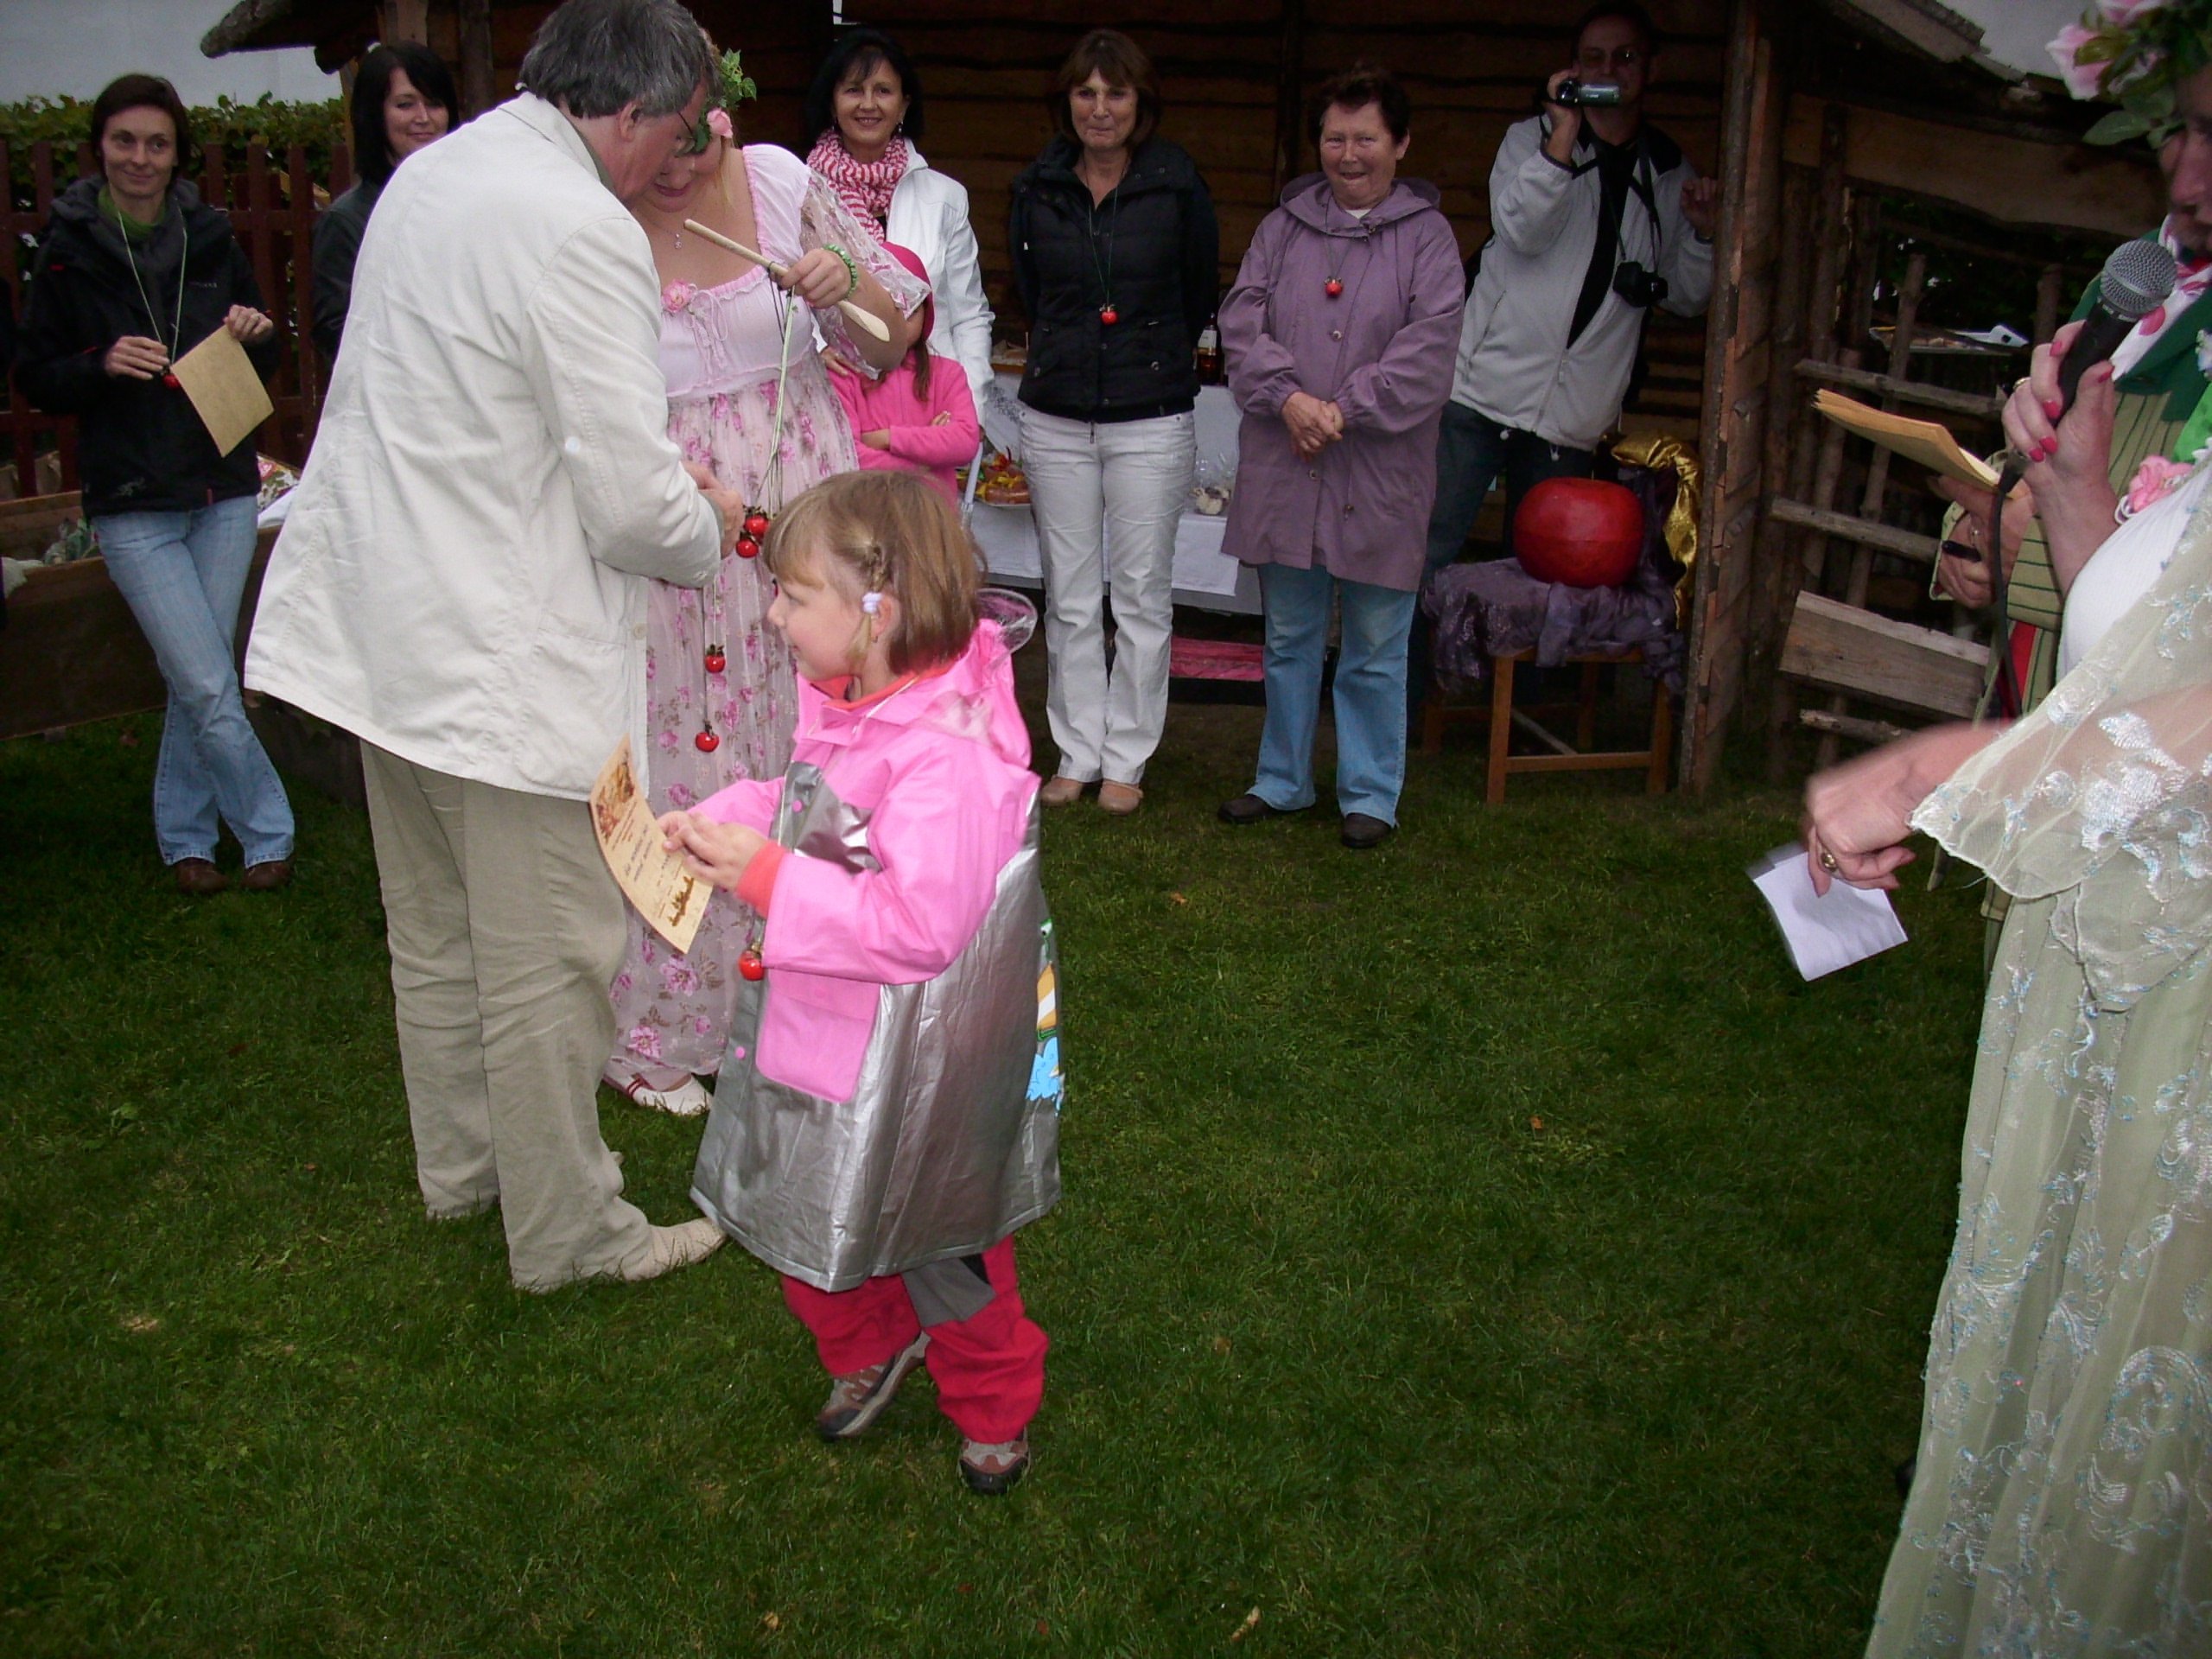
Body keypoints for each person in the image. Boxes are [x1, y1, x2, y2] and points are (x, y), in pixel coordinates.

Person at [245, 0, 737, 1292]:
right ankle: (569, 1232)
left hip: (389, 632)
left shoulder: (436, 171)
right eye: (681, 132)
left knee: (439, 937)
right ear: (626, 113)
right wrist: (712, 520)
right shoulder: (581, 226)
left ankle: (466, 1173)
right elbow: (630, 504)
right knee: (548, 963)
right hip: (496, 658)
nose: (681, 158)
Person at [1806, 308, 2212, 1651]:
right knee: (2077, 1387)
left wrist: (1949, 766)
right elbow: (2157, 671)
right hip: (2129, 985)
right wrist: (2082, 502)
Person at [661, 471, 1061, 1497]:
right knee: (803, 1206)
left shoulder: (950, 754)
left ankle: (993, 1405)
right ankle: (869, 1344)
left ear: (875, 610)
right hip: (828, 1027)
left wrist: (764, 875)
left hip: (924, 1067)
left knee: (945, 1246)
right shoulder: (856, 699)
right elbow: (818, 809)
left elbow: (919, 925)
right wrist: (725, 821)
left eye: (794, 597)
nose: (775, 617)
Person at [601, 46, 923, 1119]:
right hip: (677, 533)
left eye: (692, 145)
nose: (674, 170)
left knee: (811, 747)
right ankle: (662, 1021)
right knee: (686, 750)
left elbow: (889, 344)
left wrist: (843, 289)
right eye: (654, 148)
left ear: (721, 118)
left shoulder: (784, 184)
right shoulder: (590, 220)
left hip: (804, 529)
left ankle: (807, 987)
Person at [16, 73, 294, 896]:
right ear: (100, 148)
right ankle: (269, 830)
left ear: (178, 155)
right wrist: (99, 363)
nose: (140, 158)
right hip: (133, 498)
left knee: (193, 672)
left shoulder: (210, 238)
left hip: (221, 487)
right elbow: (36, 376)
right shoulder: (66, 249)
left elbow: (264, 354)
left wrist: (257, 332)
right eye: (125, 141)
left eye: (157, 143)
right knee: (207, 678)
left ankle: (186, 840)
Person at [1415, 0, 1713, 721]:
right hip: (1480, 388)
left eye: (1624, 58)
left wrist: (1703, 235)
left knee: (1548, 571)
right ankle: (1400, 702)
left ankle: (1516, 719)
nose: (1609, 71)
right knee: (1429, 546)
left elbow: (1687, 295)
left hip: (1573, 414)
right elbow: (1520, 228)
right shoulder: (1531, 141)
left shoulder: (1667, 170)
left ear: (1650, 69)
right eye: (1593, 58)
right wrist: (1563, 137)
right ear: (1572, 67)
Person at [1215, 64, 1464, 851]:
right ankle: (1282, 780)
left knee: (1376, 646)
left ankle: (1370, 793)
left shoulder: (1428, 238)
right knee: (1288, 635)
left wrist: (1342, 409)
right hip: (1287, 459)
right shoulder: (1281, 228)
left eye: (1366, 139)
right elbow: (1241, 322)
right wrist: (1289, 398)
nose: (1349, 154)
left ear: (1401, 144)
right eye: (1334, 138)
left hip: (1381, 471)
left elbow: (1429, 349)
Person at [1008, 28, 1219, 817]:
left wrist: (1147, 352)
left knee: (1139, 596)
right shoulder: (1037, 187)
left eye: (1116, 93)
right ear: (1066, 101)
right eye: (1086, 93)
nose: (1100, 109)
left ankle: (1126, 757)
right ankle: (1076, 752)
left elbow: (1198, 288)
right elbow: (1030, 288)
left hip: (1150, 416)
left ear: (1141, 102)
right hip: (1056, 415)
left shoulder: (1177, 184)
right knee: (1068, 597)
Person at [802, 27, 997, 416]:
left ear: (904, 105)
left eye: (883, 91)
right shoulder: (800, 193)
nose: (868, 104)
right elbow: (783, 301)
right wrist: (813, 351)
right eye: (853, 90)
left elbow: (969, 316)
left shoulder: (945, 197)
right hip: (838, 401)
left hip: (932, 403)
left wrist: (970, 408)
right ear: (832, 103)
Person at [310, 41, 457, 364]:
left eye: (434, 104)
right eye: (405, 105)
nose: (423, 118)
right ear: (374, 114)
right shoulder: (346, 221)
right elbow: (335, 331)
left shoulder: (471, 203)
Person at [828, 242, 982, 508]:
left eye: (912, 311)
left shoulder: (947, 373)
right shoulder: (844, 372)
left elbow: (966, 441)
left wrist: (888, 438)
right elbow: (849, 455)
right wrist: (926, 458)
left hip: (933, 517)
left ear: (927, 312)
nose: (899, 321)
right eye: (888, 310)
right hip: (864, 516)